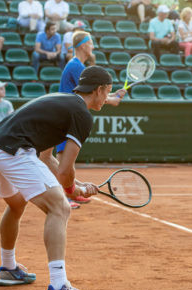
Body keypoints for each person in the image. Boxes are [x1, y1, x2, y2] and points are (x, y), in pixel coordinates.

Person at [0, 66, 116, 290]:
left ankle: (8, 268)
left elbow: (46, 158)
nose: (107, 98)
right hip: (14, 151)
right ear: (97, 90)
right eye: (107, 92)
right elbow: (64, 172)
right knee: (60, 208)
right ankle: (58, 287)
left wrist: (78, 184)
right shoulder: (82, 114)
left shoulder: (63, 103)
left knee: (16, 204)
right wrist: (74, 189)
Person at [58, 31, 126, 207]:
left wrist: (113, 95)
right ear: (82, 45)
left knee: (64, 159)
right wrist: (112, 99)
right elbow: (94, 91)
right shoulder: (76, 66)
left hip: (68, 113)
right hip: (66, 115)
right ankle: (64, 196)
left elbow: (98, 91)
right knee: (63, 159)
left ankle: (68, 192)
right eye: (90, 43)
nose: (93, 46)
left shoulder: (76, 65)